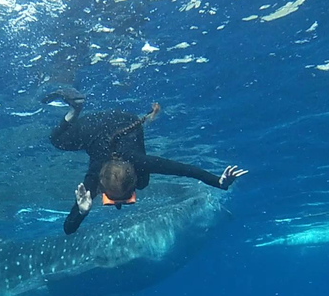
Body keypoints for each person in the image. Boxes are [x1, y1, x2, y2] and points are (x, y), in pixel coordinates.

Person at [42, 88, 248, 234]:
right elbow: (67, 229)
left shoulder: (112, 173)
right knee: (56, 140)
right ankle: (76, 110)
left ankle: (75, 109)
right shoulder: (98, 176)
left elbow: (69, 229)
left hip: (122, 122)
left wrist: (220, 183)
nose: (118, 205)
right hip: (104, 125)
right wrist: (81, 210)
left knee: (58, 140)